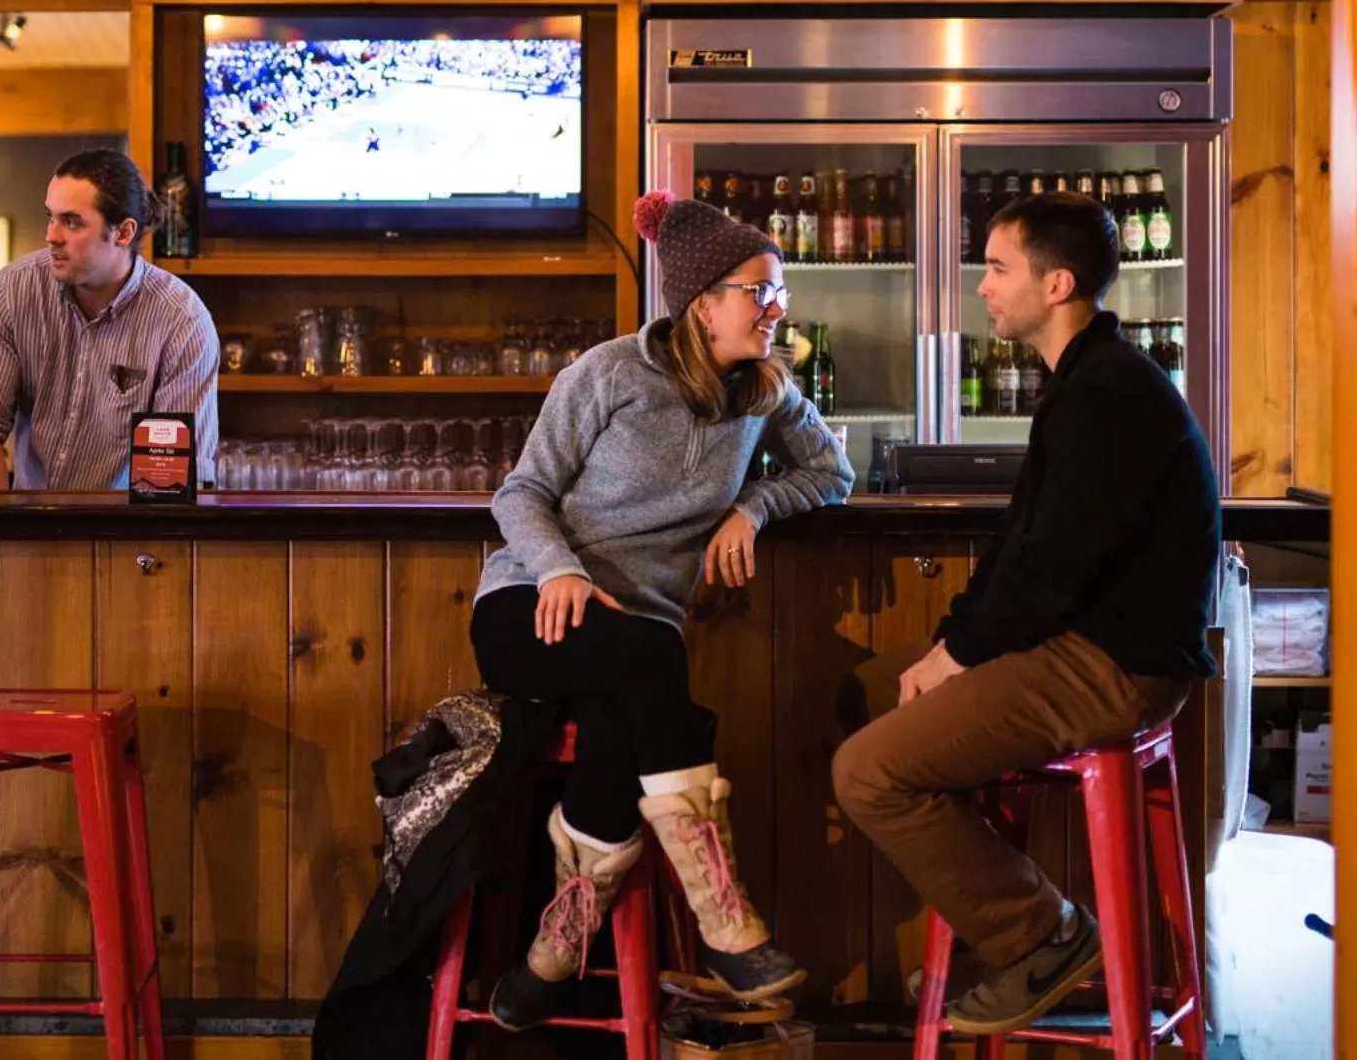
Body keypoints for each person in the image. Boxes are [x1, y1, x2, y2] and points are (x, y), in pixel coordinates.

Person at [833, 192, 1220, 1036]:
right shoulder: (1087, 380)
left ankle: (1044, 937)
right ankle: (992, 924)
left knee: (866, 772)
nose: (981, 287)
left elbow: (1050, 567)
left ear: (1058, 284)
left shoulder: (1104, 392)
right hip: (1086, 645)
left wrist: (956, 657)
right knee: (868, 686)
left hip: (1115, 663)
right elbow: (1024, 548)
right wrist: (947, 644)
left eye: (999, 267)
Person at [471, 191, 854, 1027]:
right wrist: (561, 571)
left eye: (778, 290)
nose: (777, 306)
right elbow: (521, 491)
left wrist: (752, 507)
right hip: (529, 609)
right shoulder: (608, 372)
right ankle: (720, 915)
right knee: (653, 663)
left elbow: (834, 472)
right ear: (702, 301)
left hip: (636, 638)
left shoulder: (763, 392)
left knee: (626, 709)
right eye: (761, 289)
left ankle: (552, 950)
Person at [0, 149, 221, 490]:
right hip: (27, 525)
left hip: (125, 533)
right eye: (50, 217)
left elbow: (172, 480)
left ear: (123, 233)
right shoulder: (12, 292)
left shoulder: (181, 321)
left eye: (71, 222)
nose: (52, 235)